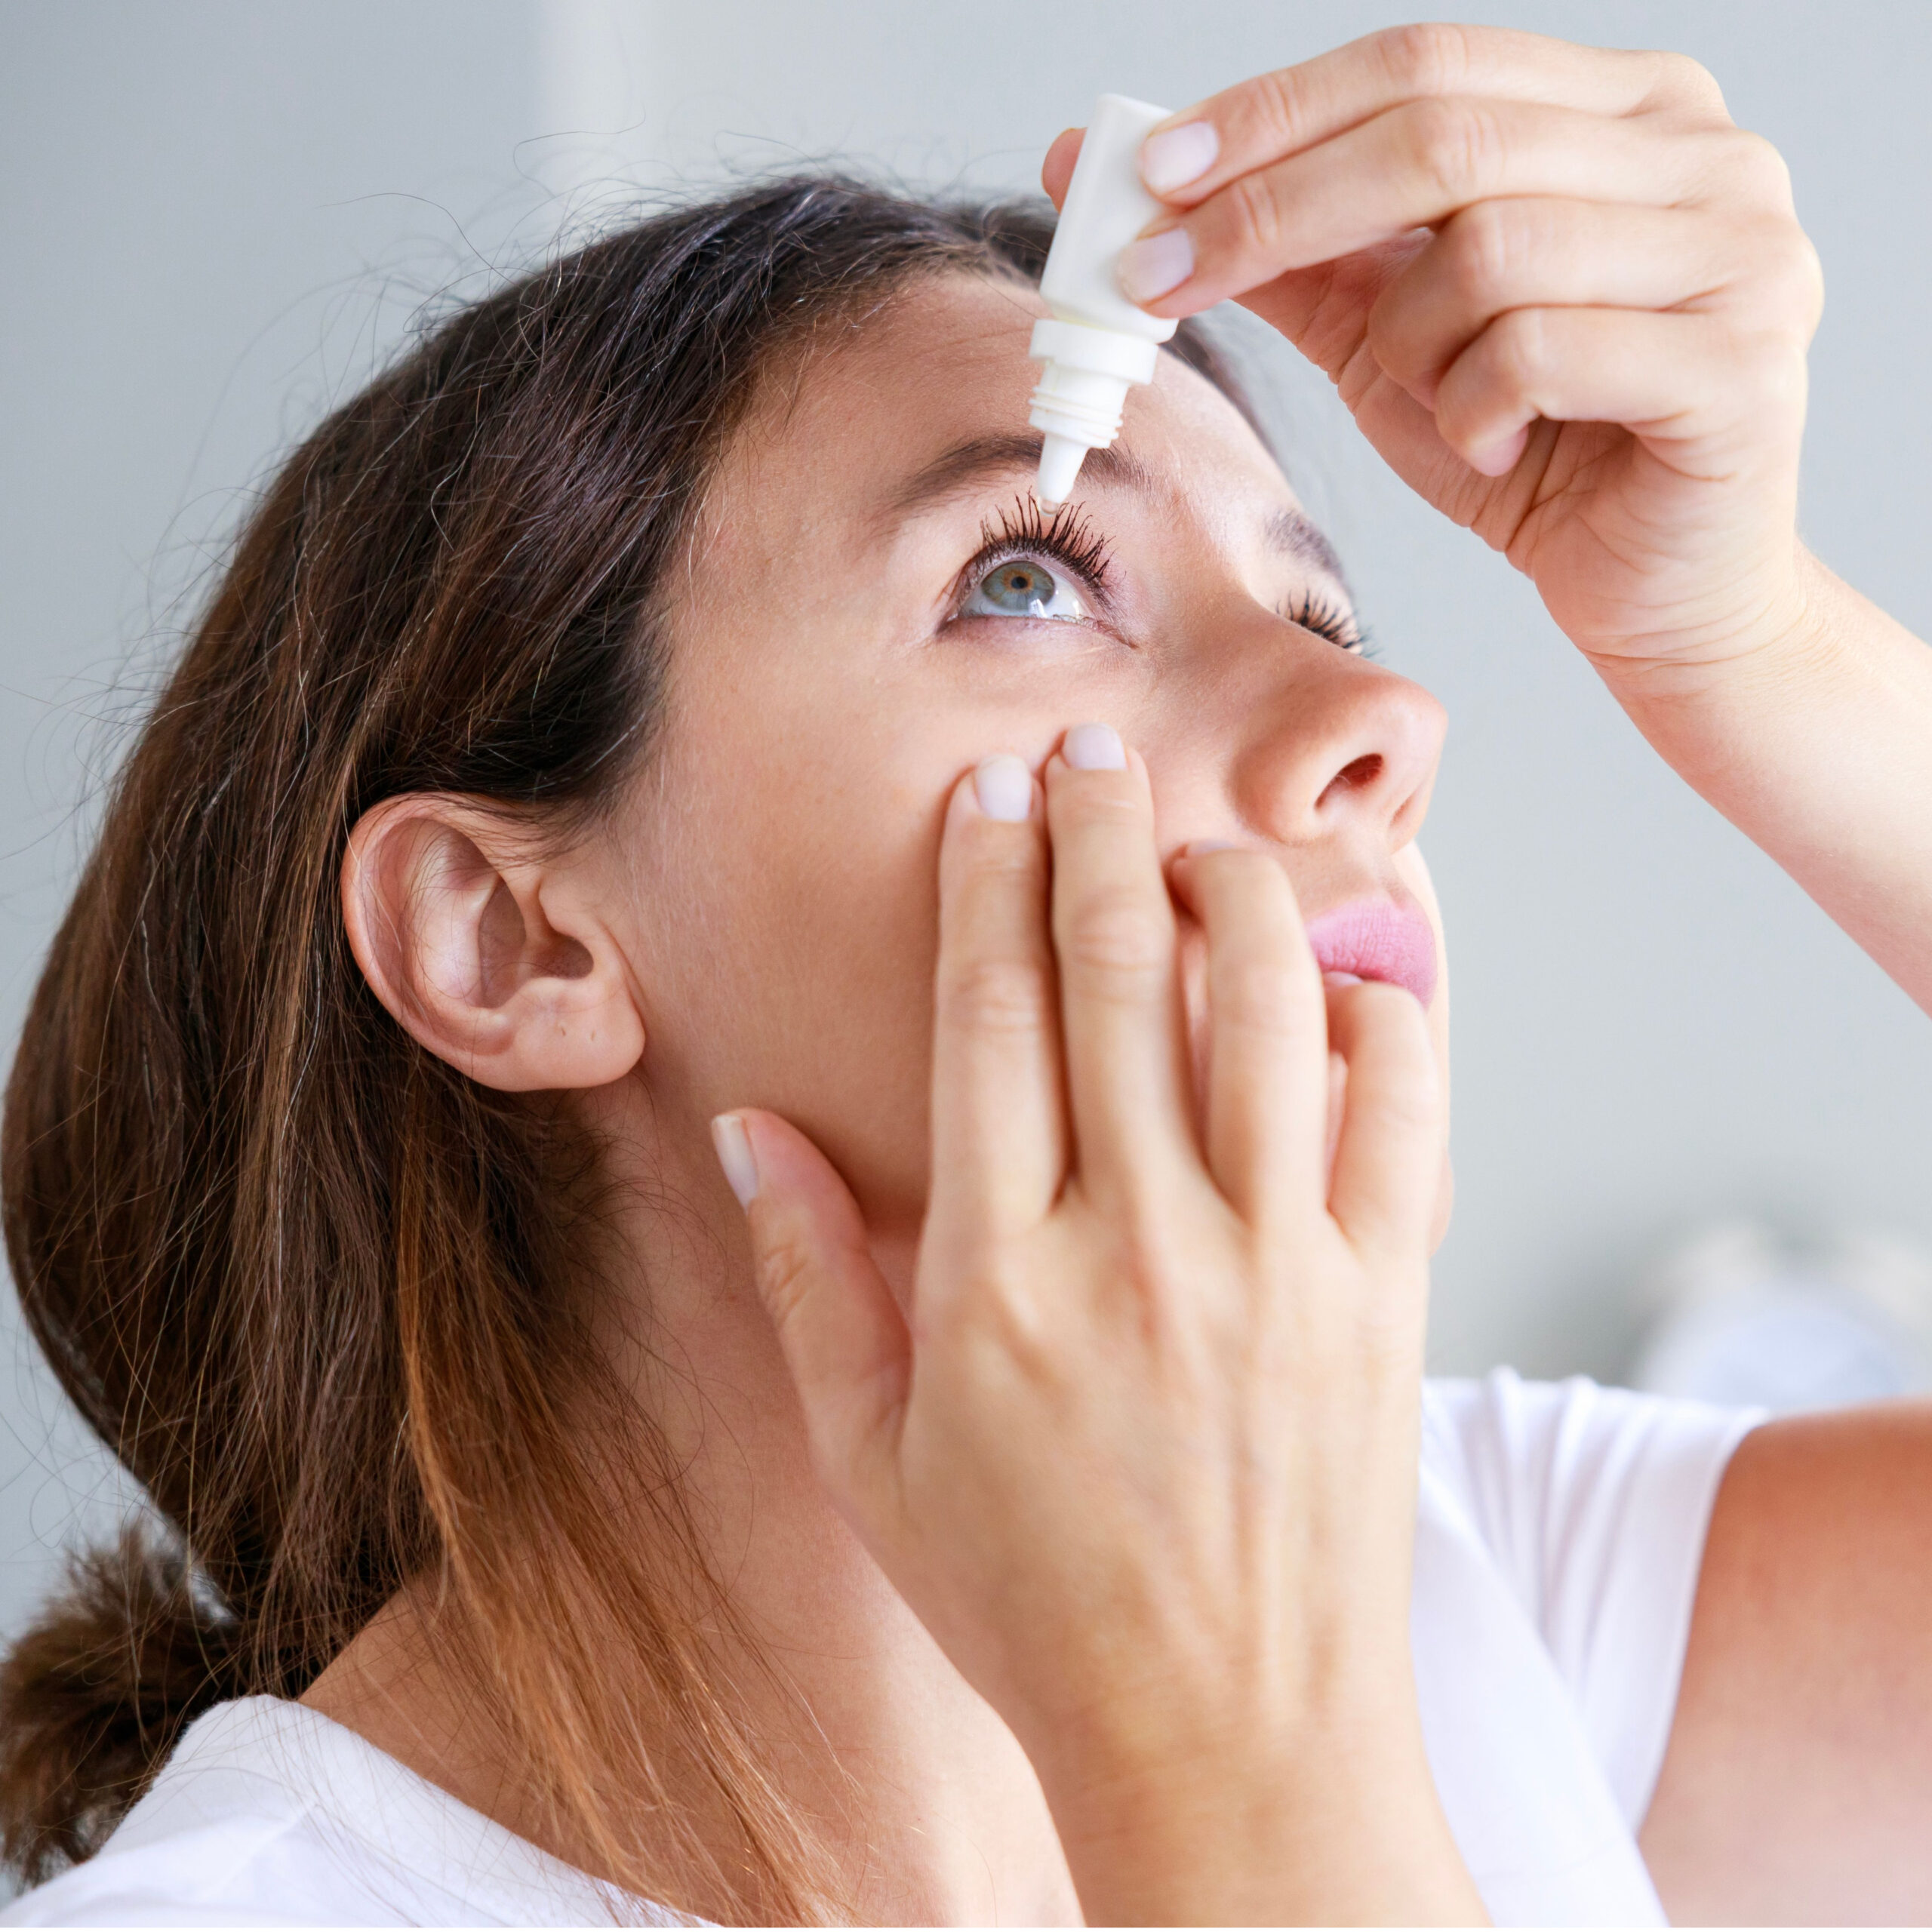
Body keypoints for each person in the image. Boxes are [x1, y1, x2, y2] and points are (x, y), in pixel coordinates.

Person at [2, 22, 1929, 1926]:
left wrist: (1751, 643)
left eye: (1317, 609)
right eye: (1024, 575)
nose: (1376, 714)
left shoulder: (1441, 1574)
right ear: (507, 938)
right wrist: (1228, 1759)